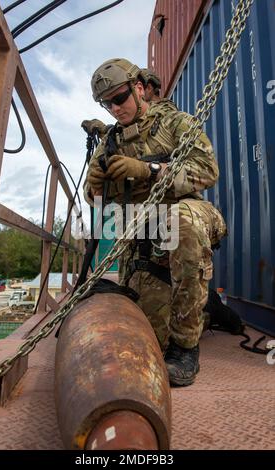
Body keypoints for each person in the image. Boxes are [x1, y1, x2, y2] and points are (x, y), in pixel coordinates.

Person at [83, 58, 227, 386]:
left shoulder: (175, 123)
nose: (115, 109)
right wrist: (94, 186)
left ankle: (186, 350)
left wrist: (151, 170)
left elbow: (208, 170)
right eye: (108, 104)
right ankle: (208, 312)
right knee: (151, 336)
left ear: (138, 88)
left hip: (189, 218)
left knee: (182, 219)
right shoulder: (110, 143)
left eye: (120, 98)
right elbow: (99, 205)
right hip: (146, 236)